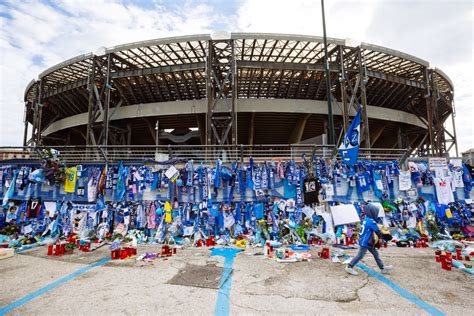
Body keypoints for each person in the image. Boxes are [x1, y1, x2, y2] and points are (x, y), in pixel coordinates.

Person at [345, 203, 393, 276]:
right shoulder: (371, 221)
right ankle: (349, 266)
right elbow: (378, 231)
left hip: (367, 241)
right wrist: (386, 237)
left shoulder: (366, 219)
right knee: (360, 255)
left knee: (376, 254)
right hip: (365, 242)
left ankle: (383, 268)